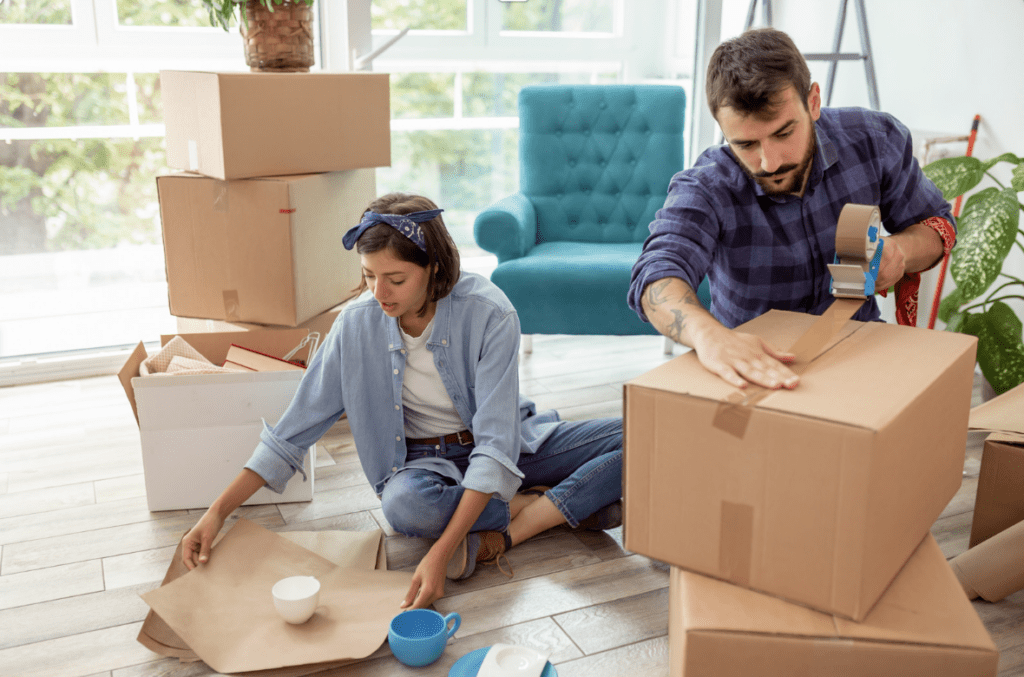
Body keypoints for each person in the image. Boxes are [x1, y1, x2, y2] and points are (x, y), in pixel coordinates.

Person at [180, 192, 624, 610]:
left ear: (432, 267)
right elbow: (292, 430)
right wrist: (216, 512)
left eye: (395, 279)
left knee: (644, 436)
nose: (378, 293)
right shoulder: (356, 325)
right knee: (406, 507)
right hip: (423, 463)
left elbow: (495, 446)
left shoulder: (490, 313)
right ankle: (546, 505)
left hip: (513, 443)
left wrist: (439, 555)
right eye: (368, 276)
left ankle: (517, 525)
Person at [628, 27, 956, 391]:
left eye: (784, 133)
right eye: (746, 143)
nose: (769, 162)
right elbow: (656, 274)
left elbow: (937, 223)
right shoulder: (707, 185)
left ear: (813, 101)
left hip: (862, 348)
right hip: (757, 369)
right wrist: (709, 336)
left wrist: (901, 252)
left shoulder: (873, 139)